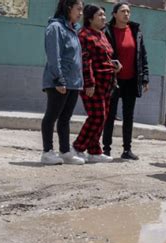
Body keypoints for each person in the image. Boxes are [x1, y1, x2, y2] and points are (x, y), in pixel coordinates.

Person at [72, 5, 121, 164]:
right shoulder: (84, 35)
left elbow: (104, 57)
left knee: (103, 117)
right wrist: (89, 83)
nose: (103, 18)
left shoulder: (102, 35)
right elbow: (85, 61)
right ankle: (78, 147)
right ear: (90, 18)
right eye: (99, 15)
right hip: (94, 84)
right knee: (97, 117)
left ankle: (94, 151)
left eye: (104, 15)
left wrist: (114, 64)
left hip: (107, 84)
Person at [40, 0, 85, 165]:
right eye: (78, 9)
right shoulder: (56, 28)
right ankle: (47, 152)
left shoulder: (73, 30)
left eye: (82, 10)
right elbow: (54, 54)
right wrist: (59, 78)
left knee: (65, 118)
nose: (81, 13)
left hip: (73, 82)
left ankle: (65, 152)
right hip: (59, 81)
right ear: (68, 8)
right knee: (51, 116)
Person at [102, 2, 149, 160]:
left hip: (131, 80)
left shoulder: (135, 30)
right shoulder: (107, 31)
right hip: (113, 80)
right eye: (123, 11)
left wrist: (145, 77)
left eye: (128, 11)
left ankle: (127, 150)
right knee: (109, 115)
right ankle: (106, 149)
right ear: (114, 14)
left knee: (128, 116)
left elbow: (143, 55)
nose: (127, 14)